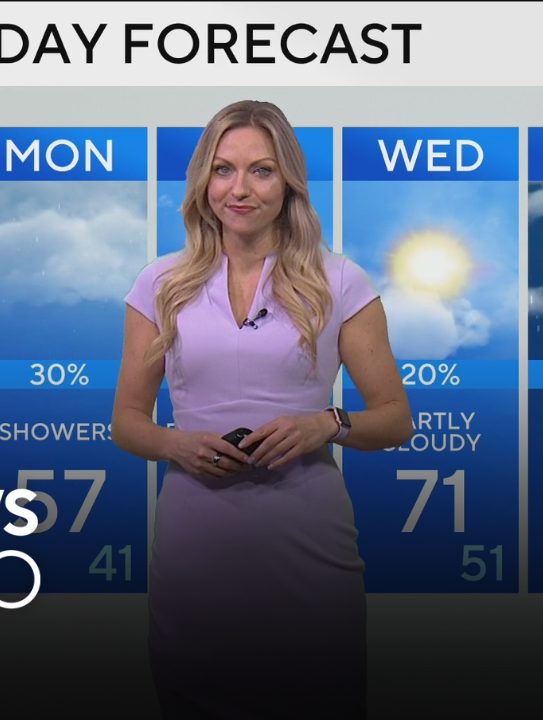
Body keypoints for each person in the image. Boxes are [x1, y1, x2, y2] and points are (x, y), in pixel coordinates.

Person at [112, 100, 413, 719]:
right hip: (196, 546)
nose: (240, 189)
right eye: (223, 170)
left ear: (289, 182)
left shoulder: (340, 282)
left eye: (262, 171)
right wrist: (176, 443)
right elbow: (127, 423)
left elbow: (394, 418)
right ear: (203, 181)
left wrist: (326, 424)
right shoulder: (160, 284)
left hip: (308, 546)